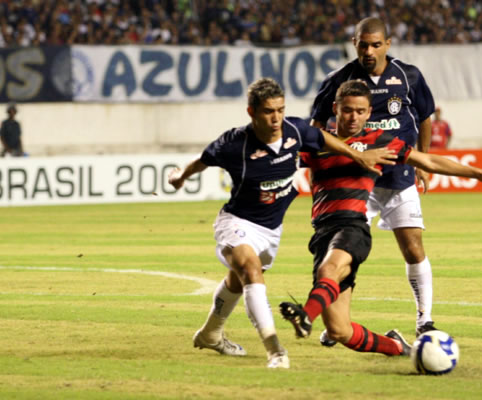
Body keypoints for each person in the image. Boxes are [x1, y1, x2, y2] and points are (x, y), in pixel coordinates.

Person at [167, 78, 396, 369]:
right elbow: (202, 160)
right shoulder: (233, 142)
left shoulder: (295, 131)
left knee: (238, 279)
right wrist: (180, 177)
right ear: (251, 112)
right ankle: (275, 350)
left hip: (271, 230)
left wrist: (357, 155)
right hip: (237, 220)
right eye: (267, 111)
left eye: (280, 110)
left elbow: (323, 138)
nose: (276, 118)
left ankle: (211, 333)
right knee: (250, 271)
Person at [280, 80, 482, 356]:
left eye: (361, 111)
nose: (354, 117)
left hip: (352, 227)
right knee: (340, 330)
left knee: (330, 270)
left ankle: (305, 315)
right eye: (348, 110)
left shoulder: (379, 142)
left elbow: (428, 161)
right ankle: (400, 348)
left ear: (368, 112)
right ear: (336, 109)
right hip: (322, 234)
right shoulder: (318, 142)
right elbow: (280, 149)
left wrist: (480, 174)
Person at [310, 16, 439, 338]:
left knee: (413, 247)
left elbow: (424, 118)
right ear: (354, 44)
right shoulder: (338, 80)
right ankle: (336, 321)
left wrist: (422, 161)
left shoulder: (408, 76)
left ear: (388, 44)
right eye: (363, 44)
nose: (369, 50)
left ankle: (425, 318)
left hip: (398, 175)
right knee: (345, 251)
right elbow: (315, 129)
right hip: (355, 181)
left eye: (376, 44)